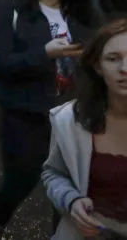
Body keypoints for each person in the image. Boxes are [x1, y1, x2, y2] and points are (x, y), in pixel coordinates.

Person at [0, 0, 94, 240]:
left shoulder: (78, 9)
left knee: (72, 181)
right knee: (22, 176)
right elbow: (1, 62)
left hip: (70, 111)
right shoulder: (10, 7)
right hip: (23, 111)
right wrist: (43, 54)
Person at [41, 18, 127, 240]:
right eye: (113, 58)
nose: (125, 69)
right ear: (98, 66)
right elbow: (53, 173)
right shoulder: (71, 121)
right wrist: (71, 200)